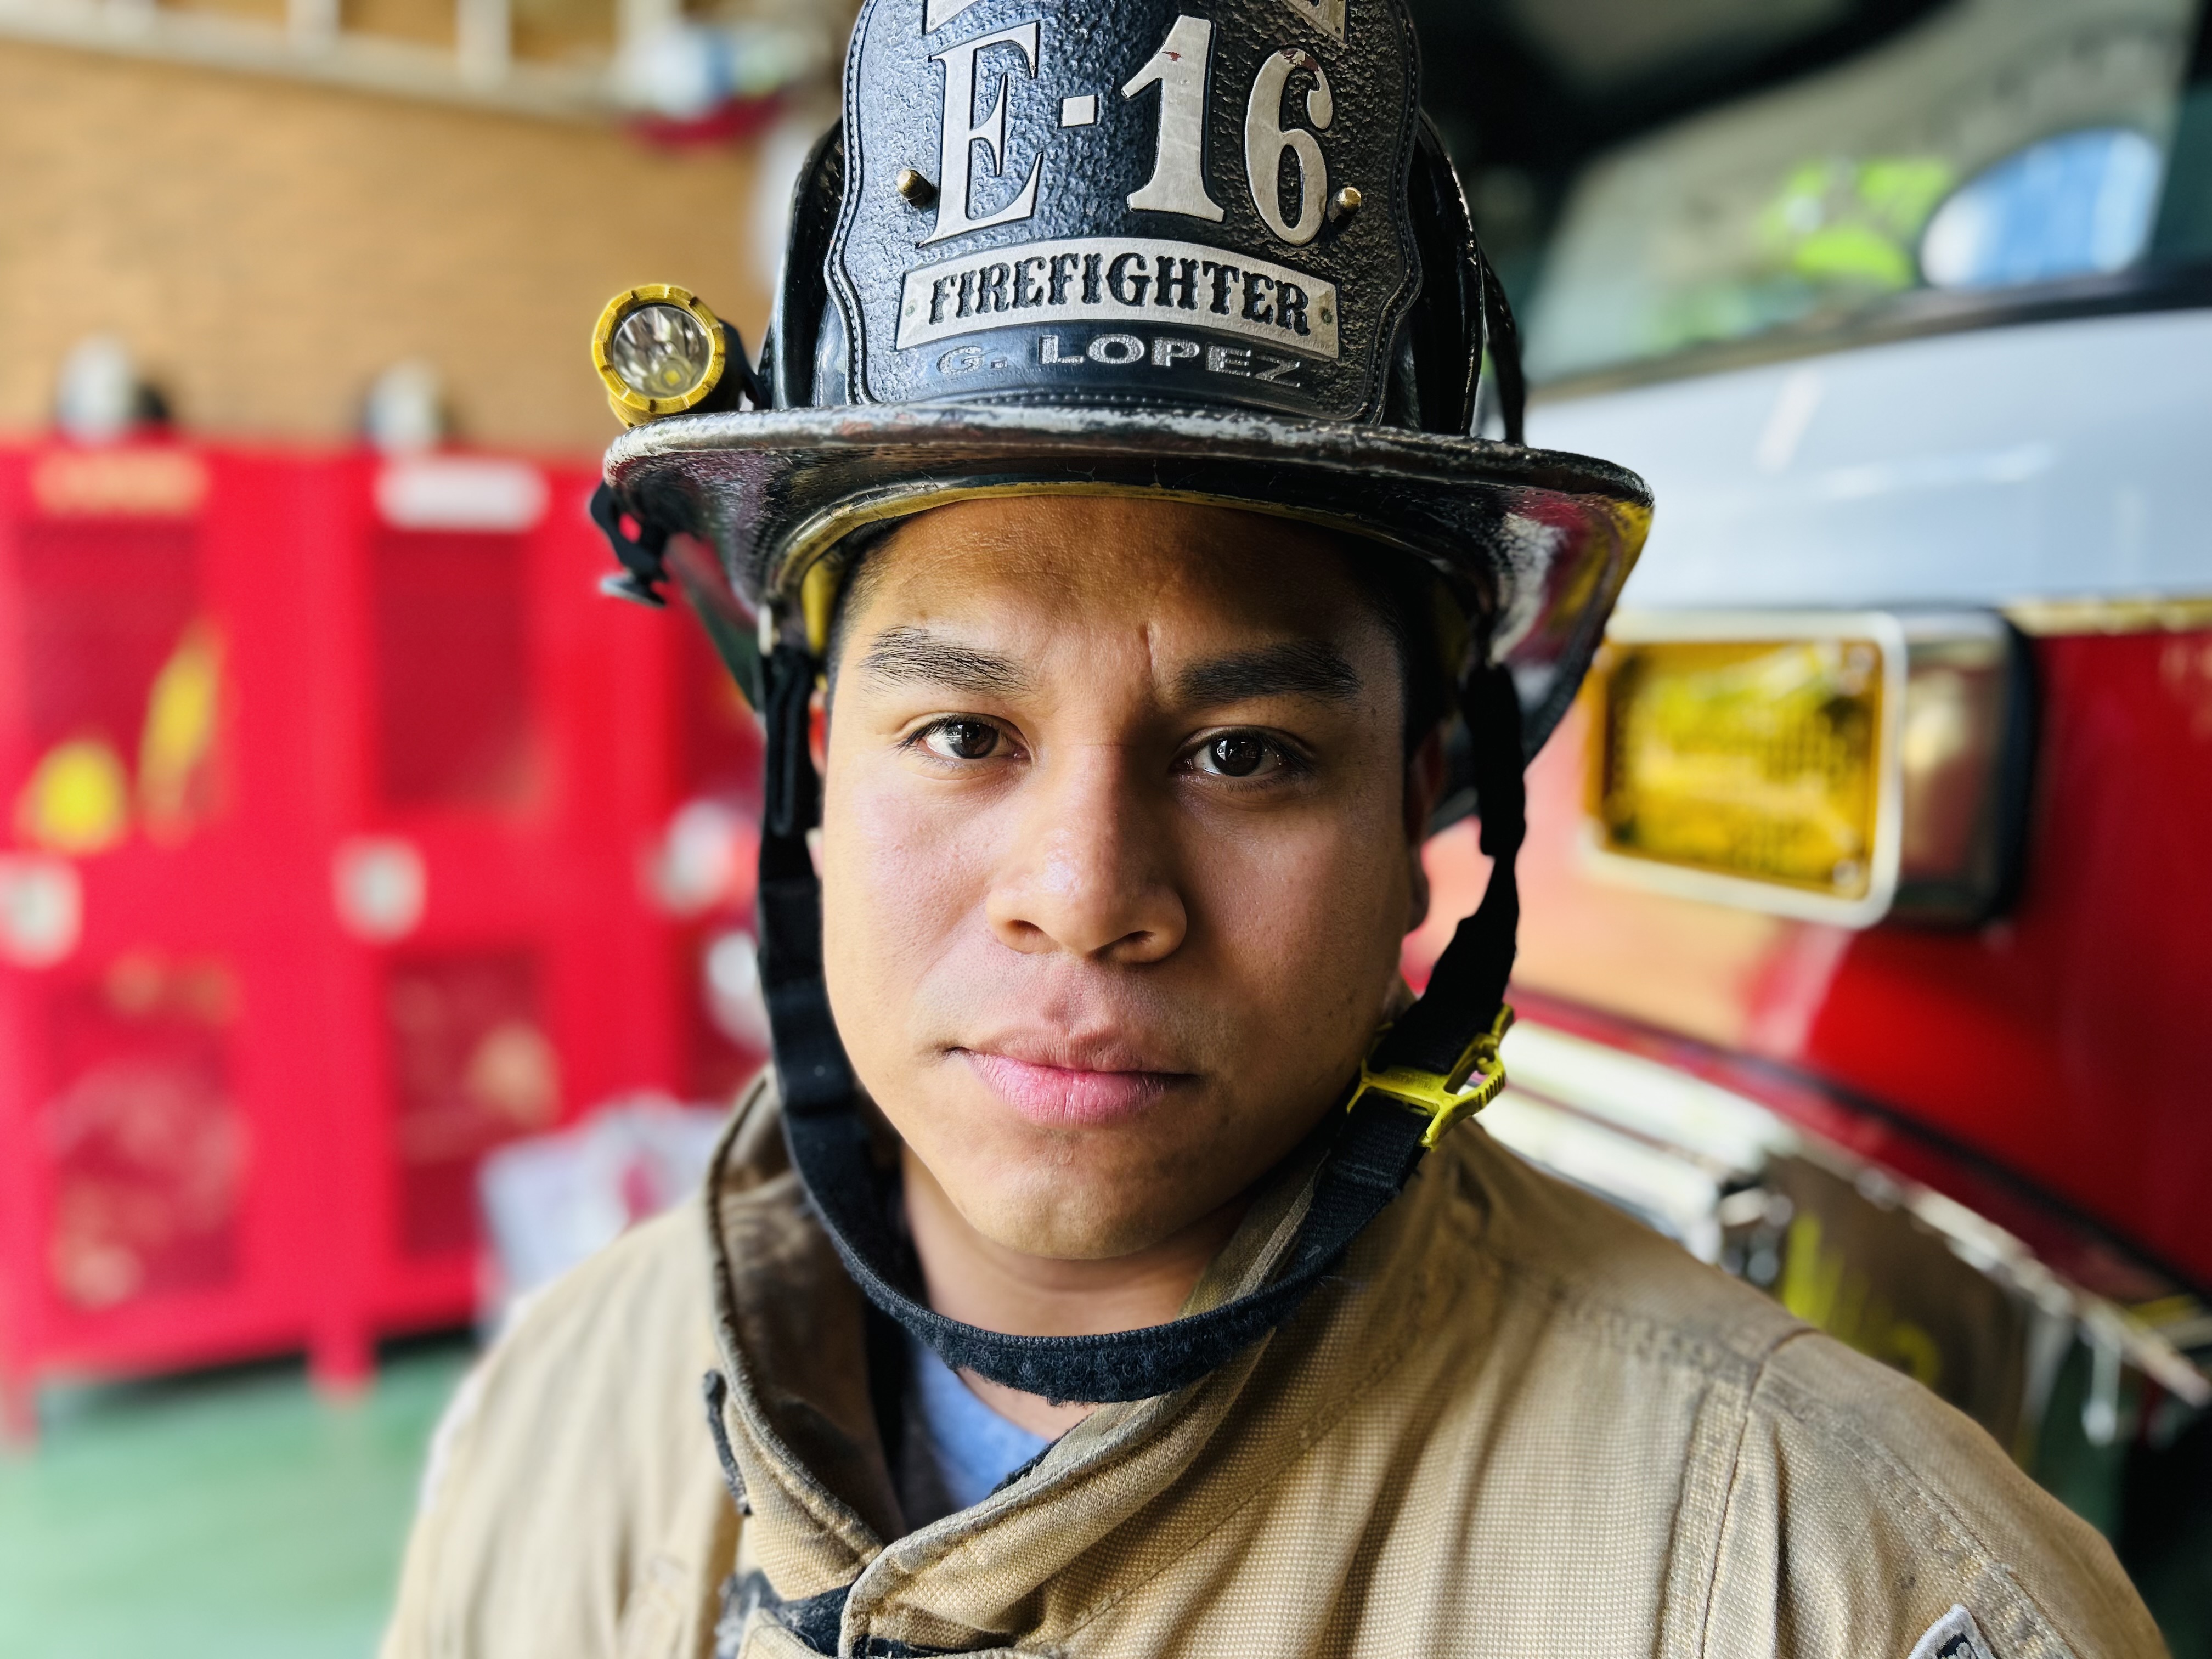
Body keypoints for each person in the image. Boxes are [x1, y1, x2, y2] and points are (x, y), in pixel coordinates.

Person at [381, 1, 2167, 1655]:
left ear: (1419, 810)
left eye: (1243, 756)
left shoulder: (1840, 1582)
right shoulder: (558, 1417)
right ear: (820, 780)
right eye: (965, 733)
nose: (1086, 901)